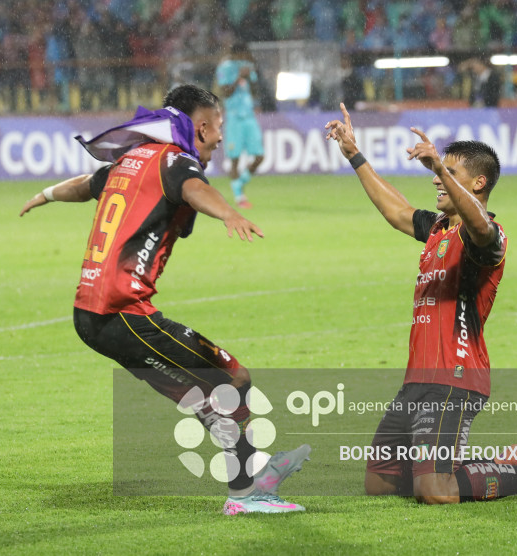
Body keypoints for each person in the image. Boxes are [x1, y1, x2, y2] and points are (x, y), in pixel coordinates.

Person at [20, 85, 309, 515]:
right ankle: (247, 494)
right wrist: (228, 212)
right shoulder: (174, 159)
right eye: (218, 128)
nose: (220, 139)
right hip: (123, 313)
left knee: (207, 403)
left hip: (90, 316)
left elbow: (85, 185)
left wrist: (44, 195)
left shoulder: (131, 159)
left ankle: (255, 477)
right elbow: (193, 188)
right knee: (234, 378)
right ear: (202, 126)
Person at [325, 104, 517, 504]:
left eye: (449, 173)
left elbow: (479, 226)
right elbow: (396, 210)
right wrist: (354, 155)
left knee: (435, 491)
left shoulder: (486, 238)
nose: (437, 182)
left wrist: (439, 171)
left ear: (478, 182)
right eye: (438, 173)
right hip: (417, 380)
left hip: (453, 380)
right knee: (382, 483)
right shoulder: (439, 229)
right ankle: (492, 464)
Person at [215, 42, 264, 208]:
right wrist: (239, 78)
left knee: (259, 157)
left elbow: (256, 90)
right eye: (242, 55)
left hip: (249, 116)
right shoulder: (224, 68)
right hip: (234, 118)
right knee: (234, 159)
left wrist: (250, 77)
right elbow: (225, 93)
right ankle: (239, 197)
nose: (245, 59)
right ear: (236, 54)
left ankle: (239, 183)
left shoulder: (248, 66)